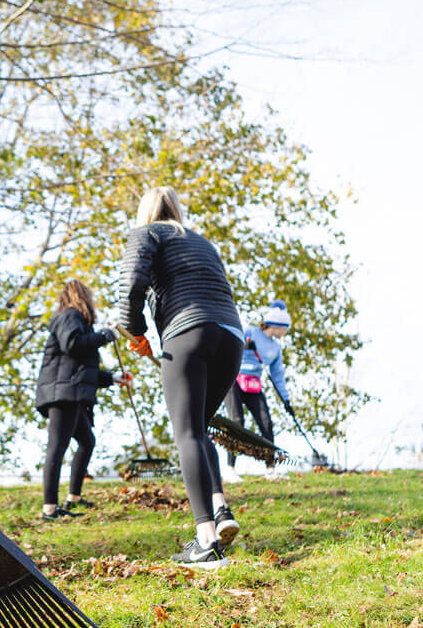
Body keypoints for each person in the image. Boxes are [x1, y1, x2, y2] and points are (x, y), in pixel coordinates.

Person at [119, 186, 244, 569]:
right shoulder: (202, 241)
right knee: (200, 427)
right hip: (231, 335)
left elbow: (131, 286)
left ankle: (206, 542)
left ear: (146, 212)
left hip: (188, 332)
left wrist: (134, 331)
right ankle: (221, 509)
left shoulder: (146, 233)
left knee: (186, 432)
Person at [35, 279, 131, 520]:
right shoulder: (70, 316)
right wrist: (105, 335)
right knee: (57, 448)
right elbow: (73, 346)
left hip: (71, 390)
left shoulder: (78, 323)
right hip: (63, 393)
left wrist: (114, 378)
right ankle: (49, 509)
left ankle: (73, 498)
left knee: (87, 441)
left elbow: (84, 371)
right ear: (81, 297)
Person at [221, 300, 293, 471]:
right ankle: (230, 469)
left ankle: (270, 468)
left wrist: (286, 400)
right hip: (233, 380)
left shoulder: (275, 348)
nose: (286, 332)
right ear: (278, 325)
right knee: (237, 423)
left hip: (253, 385)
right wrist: (242, 346)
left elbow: (277, 375)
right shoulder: (250, 331)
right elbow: (229, 343)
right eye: (285, 328)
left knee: (266, 423)